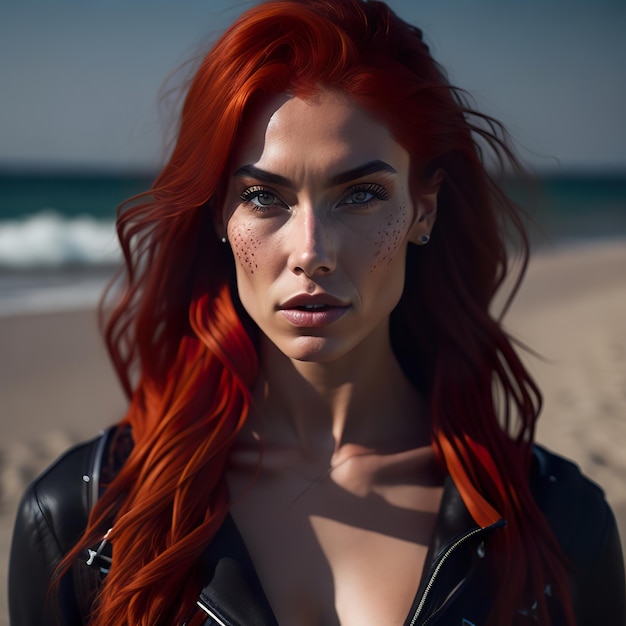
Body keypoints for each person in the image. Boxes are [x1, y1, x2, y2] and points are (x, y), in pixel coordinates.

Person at [8, 1, 625, 625]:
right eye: (262, 197)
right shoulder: (79, 520)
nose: (312, 253)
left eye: (360, 194)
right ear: (218, 215)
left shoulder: (561, 523)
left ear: (423, 209)